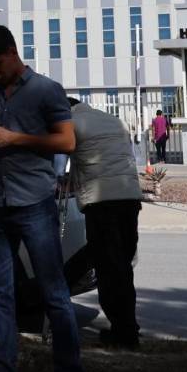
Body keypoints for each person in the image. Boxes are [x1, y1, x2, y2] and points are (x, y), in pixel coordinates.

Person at [0, 25, 84, 372]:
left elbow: (67, 140)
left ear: (13, 52)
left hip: (34, 201)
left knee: (53, 291)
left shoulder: (47, 90)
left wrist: (17, 139)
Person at [65, 98, 143, 349]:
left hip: (102, 201)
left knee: (109, 270)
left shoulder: (71, 123)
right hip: (129, 196)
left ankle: (124, 334)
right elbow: (107, 158)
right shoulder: (113, 121)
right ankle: (128, 327)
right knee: (122, 266)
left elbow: (66, 153)